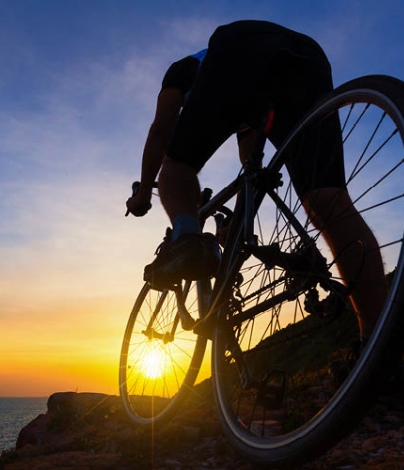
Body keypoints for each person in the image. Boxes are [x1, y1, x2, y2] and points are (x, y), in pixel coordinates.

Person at [126, 20, 387, 342]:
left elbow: (161, 130)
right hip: (306, 57)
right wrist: (238, 222)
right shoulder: (244, 119)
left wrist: (144, 192)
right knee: (327, 199)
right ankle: (378, 347)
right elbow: (251, 168)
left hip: (238, 45)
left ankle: (187, 242)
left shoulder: (183, 69)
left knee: (176, 168)